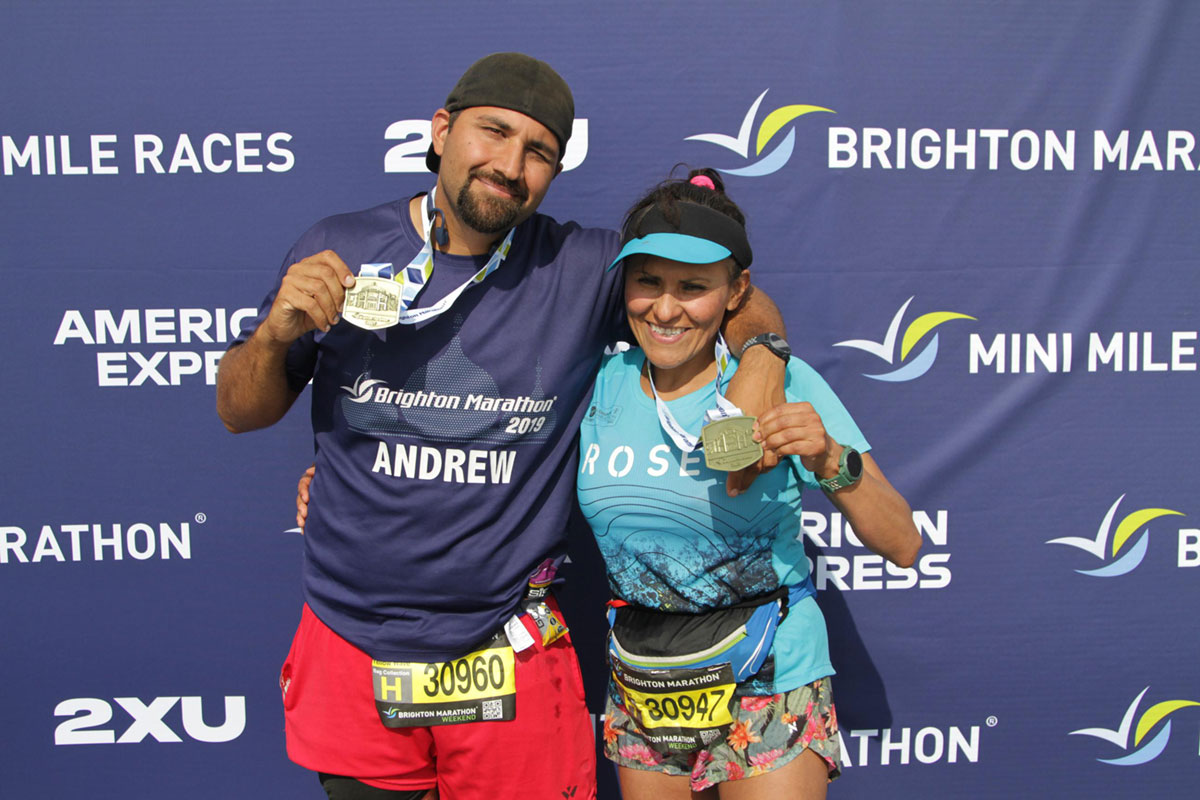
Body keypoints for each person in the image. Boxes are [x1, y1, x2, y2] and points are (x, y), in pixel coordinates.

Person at [217, 53, 790, 800]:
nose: (511, 164)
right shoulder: (344, 247)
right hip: (350, 638)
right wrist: (271, 336)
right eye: (494, 133)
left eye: (539, 152)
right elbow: (239, 410)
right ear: (443, 131)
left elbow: (726, 300)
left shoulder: (581, 267)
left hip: (506, 645)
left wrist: (765, 355)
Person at [575, 169, 922, 798]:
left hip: (771, 674)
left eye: (694, 287)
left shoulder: (785, 384)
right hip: (646, 676)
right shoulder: (598, 383)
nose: (666, 308)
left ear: (737, 292)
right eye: (647, 281)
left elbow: (903, 542)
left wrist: (826, 458)